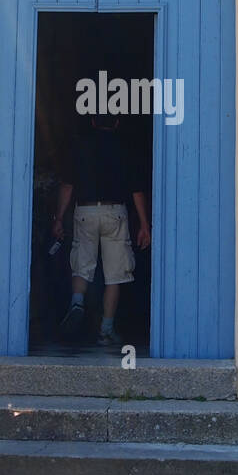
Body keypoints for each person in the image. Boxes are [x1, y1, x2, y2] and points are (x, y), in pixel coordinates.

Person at [51, 114, 150, 346]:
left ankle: (77, 302)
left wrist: (58, 218)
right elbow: (137, 190)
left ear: (93, 121)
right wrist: (145, 224)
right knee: (114, 275)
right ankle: (106, 330)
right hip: (114, 212)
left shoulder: (79, 147)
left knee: (82, 265)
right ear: (116, 123)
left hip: (85, 211)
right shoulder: (125, 148)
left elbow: (67, 186)